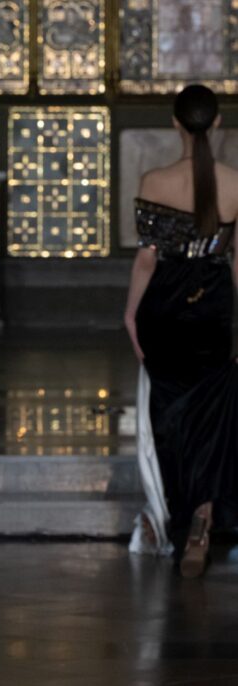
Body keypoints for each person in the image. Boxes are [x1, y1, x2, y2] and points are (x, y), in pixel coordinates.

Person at [124, 83, 238, 577]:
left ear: (176, 123)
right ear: (216, 123)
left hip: (165, 307)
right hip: (213, 306)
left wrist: (131, 314)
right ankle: (201, 523)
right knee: (212, 418)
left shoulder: (154, 180)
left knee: (169, 419)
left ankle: (177, 517)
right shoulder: (235, 183)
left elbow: (147, 259)